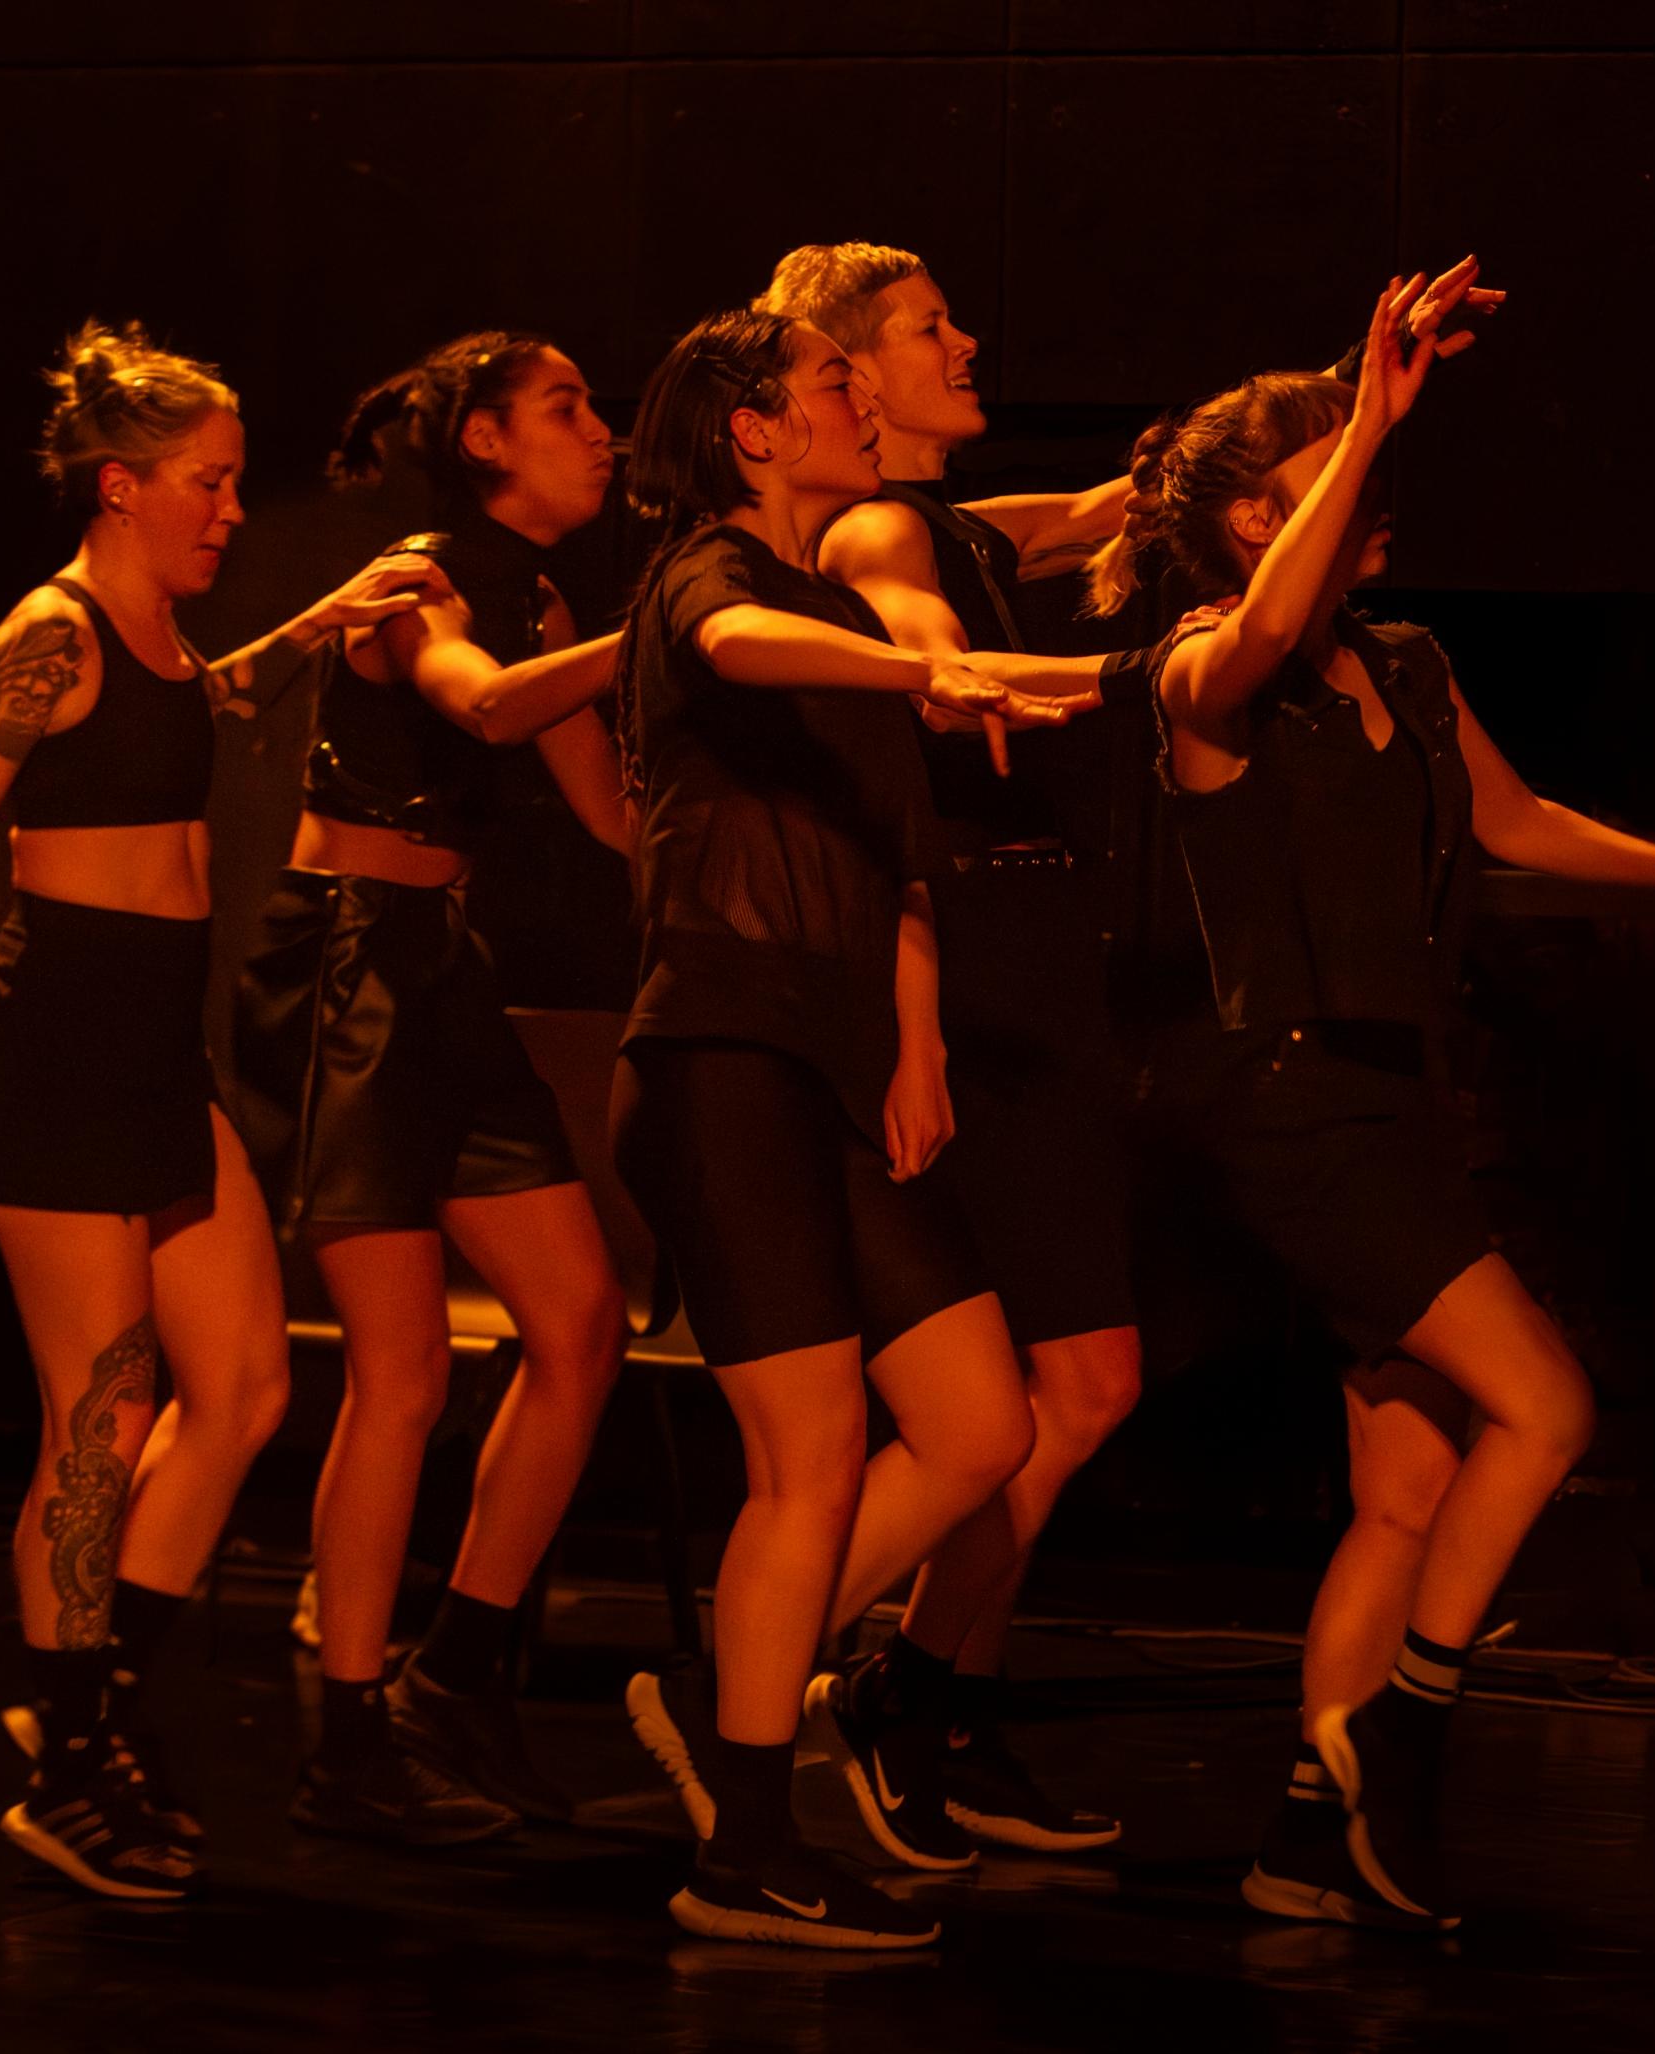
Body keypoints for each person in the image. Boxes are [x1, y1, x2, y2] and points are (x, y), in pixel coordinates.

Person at [756, 242, 1502, 1858]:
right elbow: (925, 651)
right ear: (853, 376)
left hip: (1032, 963)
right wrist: (1042, 676)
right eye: (930, 328)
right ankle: (765, 1696)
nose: (967, 341)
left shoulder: (963, 520)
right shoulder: (882, 531)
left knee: (1081, 1387)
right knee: (1044, 1396)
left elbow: (1172, 496)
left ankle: (932, 1702)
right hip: (971, 965)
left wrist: (1356, 386)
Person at [1088, 280, 1655, 1931]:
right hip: (1293, 1106)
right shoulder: (1202, 673)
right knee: (1545, 1408)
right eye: (1333, 472)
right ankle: (1400, 1733)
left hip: (1399, 1102)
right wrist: (1368, 414)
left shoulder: (1406, 659)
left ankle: (1306, 1838)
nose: (1375, 492)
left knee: (1405, 1494)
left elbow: (1512, 817)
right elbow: (1262, 631)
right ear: (1256, 521)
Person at [0, 320, 447, 1898]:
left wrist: (320, 620)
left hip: (153, 1055)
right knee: (102, 1413)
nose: (231, 510)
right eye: (209, 482)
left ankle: (96, 1689)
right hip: (50, 1049)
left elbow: (206, 702)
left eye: (237, 481)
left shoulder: (167, 642)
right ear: (121, 486)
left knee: (247, 1383)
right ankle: (66, 1764)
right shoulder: (42, 640)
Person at [602, 308, 1089, 1949]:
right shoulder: (707, 577)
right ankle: (744, 1844)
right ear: (754, 430)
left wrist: (916, 1038)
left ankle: (719, 1687)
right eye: (833, 386)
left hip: (834, 1066)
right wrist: (914, 663)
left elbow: (906, 836)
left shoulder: (844, 605)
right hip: (721, 1058)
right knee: (806, 1458)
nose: (864, 405)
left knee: (980, 1423)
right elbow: (739, 645)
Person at [229, 332, 637, 1844]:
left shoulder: (541, 601)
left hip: (442, 969)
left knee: (581, 1323)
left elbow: (616, 815)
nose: (600, 433)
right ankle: (345, 1740)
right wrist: (673, 624)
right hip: (349, 966)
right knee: (399, 1372)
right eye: (565, 409)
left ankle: (453, 1675)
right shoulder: (419, 586)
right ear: (483, 440)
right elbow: (483, 704)